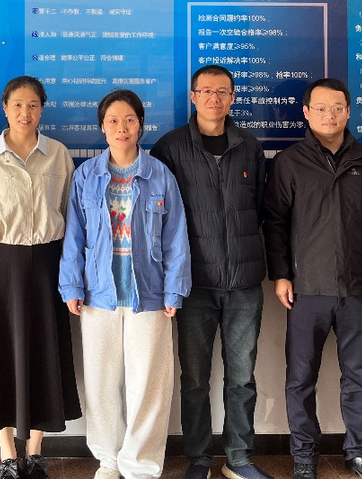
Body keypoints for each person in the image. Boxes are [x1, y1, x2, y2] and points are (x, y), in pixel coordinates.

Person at [263, 77, 362, 479]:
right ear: (306, 113)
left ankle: (359, 453)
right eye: (320, 108)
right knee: (300, 378)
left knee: (358, 377)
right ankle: (304, 456)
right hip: (307, 290)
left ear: (348, 111)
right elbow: (275, 223)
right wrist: (281, 274)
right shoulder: (289, 162)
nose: (329, 115)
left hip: (359, 288)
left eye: (337, 108)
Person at [59, 89, 191, 479]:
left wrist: (174, 289)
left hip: (149, 294)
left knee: (148, 383)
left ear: (140, 125)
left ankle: (141, 464)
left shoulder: (160, 175)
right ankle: (108, 459)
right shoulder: (85, 175)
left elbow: (176, 237)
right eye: (113, 120)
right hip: (98, 293)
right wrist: (71, 286)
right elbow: (74, 236)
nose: (122, 127)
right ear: (102, 127)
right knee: (101, 381)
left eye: (129, 120)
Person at [151, 65, 271, 479]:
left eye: (222, 92)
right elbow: (159, 216)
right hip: (193, 283)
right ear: (193, 96)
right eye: (206, 91)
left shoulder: (249, 147)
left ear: (233, 97)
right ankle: (199, 458)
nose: (214, 99)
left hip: (244, 284)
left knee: (242, 377)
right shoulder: (170, 148)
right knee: (195, 379)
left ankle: (239, 458)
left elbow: (260, 208)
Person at [0, 76, 82, 479]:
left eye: (32, 105)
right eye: (17, 105)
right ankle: (7, 453)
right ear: (4, 107)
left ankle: (35, 451)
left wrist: (72, 276)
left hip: (48, 267)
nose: (24, 113)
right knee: (0, 355)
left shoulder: (58, 155)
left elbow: (72, 218)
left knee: (45, 353)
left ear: (42, 108)